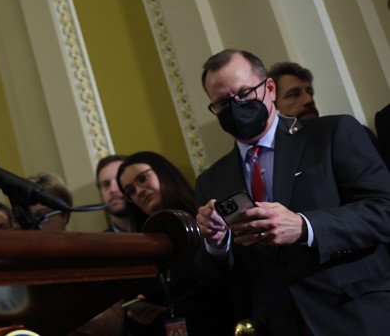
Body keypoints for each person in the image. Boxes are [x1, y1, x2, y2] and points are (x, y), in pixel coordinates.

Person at [195, 49, 390, 335]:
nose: (236, 106)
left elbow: (384, 210)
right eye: (224, 102)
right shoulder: (210, 181)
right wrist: (215, 244)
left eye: (245, 93)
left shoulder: (332, 133)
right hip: (277, 324)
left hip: (356, 315)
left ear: (270, 89)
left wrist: (304, 226)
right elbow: (209, 280)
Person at [116, 151, 234, 336]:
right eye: (130, 191)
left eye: (142, 179)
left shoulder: (206, 220)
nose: (139, 191)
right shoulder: (143, 248)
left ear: (162, 173)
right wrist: (147, 310)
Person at [96, 154, 136, 233]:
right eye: (106, 184)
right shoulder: (99, 244)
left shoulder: (161, 228)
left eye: (119, 180)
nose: (113, 189)